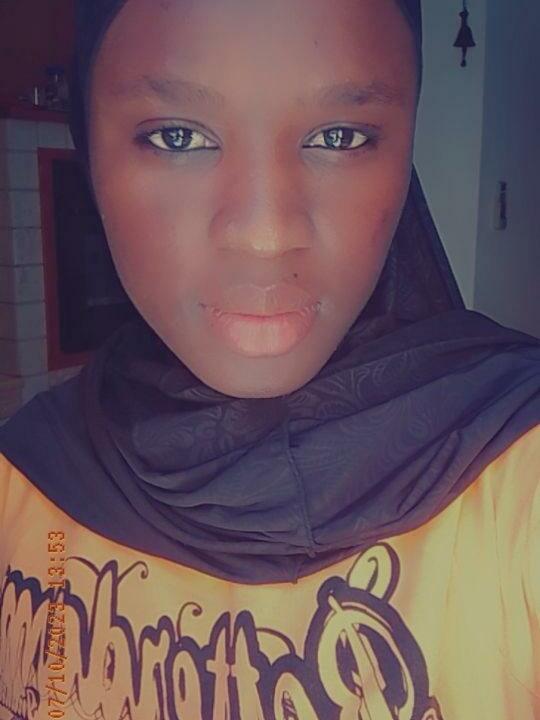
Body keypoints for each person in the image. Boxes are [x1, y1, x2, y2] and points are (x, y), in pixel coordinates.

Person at [0, 0, 539, 716]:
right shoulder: (20, 483)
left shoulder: (518, 473)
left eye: (339, 136)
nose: (264, 235)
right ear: (89, 150)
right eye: (178, 136)